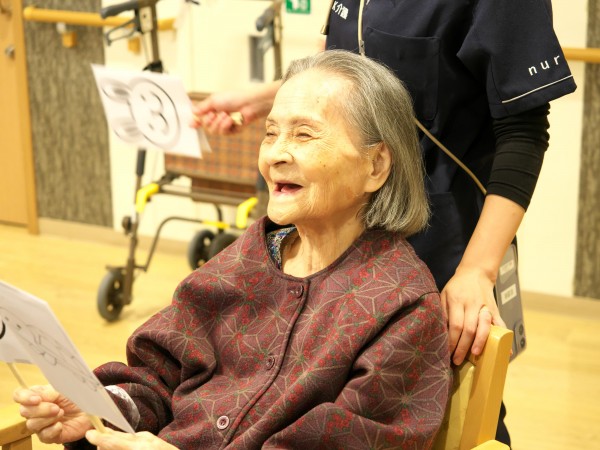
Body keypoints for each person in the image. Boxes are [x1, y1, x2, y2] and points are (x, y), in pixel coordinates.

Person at [14, 50, 451, 450]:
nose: (275, 154)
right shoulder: (250, 256)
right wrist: (103, 408)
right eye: (270, 133)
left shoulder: (401, 305)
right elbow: (159, 374)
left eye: (303, 135)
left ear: (376, 165)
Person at [192, 1, 577, 444]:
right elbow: (343, 72)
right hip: (342, 237)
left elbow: (524, 131)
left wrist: (477, 270)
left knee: (442, 407)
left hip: (438, 242)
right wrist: (262, 101)